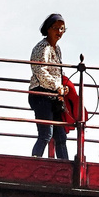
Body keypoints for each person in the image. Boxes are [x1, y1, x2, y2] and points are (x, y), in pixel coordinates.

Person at [28, 13, 70, 160]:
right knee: (46, 134)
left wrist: (63, 86)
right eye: (56, 28)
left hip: (53, 96)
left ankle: (65, 167)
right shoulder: (42, 47)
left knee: (61, 136)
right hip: (41, 94)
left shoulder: (57, 49)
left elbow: (59, 71)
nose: (59, 32)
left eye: (62, 29)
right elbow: (39, 71)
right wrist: (56, 85)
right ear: (48, 29)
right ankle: (34, 163)